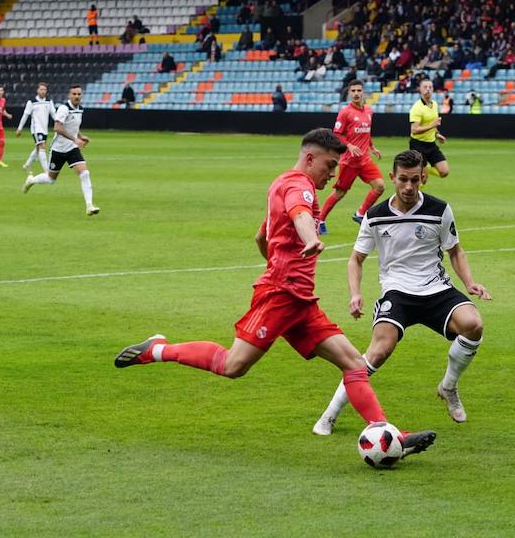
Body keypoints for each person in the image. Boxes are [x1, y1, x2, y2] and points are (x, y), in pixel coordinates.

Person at [113, 129, 436, 459]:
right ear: (310, 159)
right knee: (233, 365)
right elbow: (299, 214)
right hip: (282, 295)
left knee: (353, 363)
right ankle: (157, 350)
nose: (333, 174)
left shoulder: (279, 183)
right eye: (330, 165)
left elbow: (260, 237)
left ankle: (389, 433)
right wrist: (308, 239)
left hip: (299, 300)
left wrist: (281, 261)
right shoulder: (300, 185)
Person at [313, 149, 491, 436]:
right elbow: (355, 260)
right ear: (392, 177)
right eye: (403, 180)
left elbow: (455, 251)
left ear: (423, 178)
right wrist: (355, 293)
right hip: (397, 292)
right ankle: (330, 415)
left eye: (415, 180)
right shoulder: (376, 215)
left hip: (436, 288)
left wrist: (470, 282)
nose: (408, 187)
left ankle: (448, 387)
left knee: (474, 325)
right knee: (379, 350)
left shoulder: (439, 210)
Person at [317, 79, 383, 234]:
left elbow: (366, 132)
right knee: (340, 193)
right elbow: (337, 134)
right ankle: (320, 219)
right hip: (349, 161)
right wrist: (349, 145)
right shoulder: (345, 112)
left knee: (379, 186)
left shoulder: (368, 110)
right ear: (349, 93)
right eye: (353, 91)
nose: (356, 94)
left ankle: (360, 214)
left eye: (359, 91)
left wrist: (372, 147)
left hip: (364, 159)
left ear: (363, 92)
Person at [23, 85, 99, 216]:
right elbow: (57, 127)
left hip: (72, 150)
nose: (76, 96)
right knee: (51, 179)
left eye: (79, 94)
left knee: (85, 174)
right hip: (58, 150)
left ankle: (89, 206)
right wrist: (75, 139)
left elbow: (74, 126)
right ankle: (31, 180)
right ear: (69, 95)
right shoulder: (64, 109)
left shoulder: (80, 109)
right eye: (74, 94)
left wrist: (80, 136)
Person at [409, 77, 448, 179]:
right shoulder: (416, 108)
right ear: (420, 89)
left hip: (431, 144)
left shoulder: (434, 104)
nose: (428, 89)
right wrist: (432, 125)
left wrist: (437, 134)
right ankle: (423, 170)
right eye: (425, 87)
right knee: (423, 179)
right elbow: (414, 130)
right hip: (418, 144)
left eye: (430, 87)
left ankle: (426, 168)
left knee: (444, 172)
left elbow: (432, 123)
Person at [16, 82, 56, 174]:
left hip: (44, 129)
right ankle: (47, 171)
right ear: (37, 90)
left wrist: (60, 123)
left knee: (38, 148)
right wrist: (19, 128)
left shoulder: (49, 101)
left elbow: (54, 114)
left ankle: (27, 165)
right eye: (41, 89)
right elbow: (25, 115)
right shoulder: (32, 102)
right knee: (42, 147)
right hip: (36, 129)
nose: (43, 91)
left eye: (44, 89)